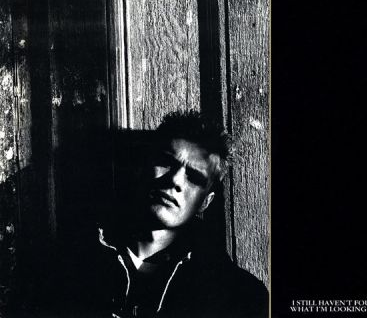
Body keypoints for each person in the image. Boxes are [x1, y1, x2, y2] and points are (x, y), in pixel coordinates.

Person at [56, 111, 268, 318]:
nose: (175, 180)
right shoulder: (65, 267)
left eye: (194, 177)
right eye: (166, 162)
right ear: (141, 167)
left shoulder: (239, 297)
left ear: (205, 202)